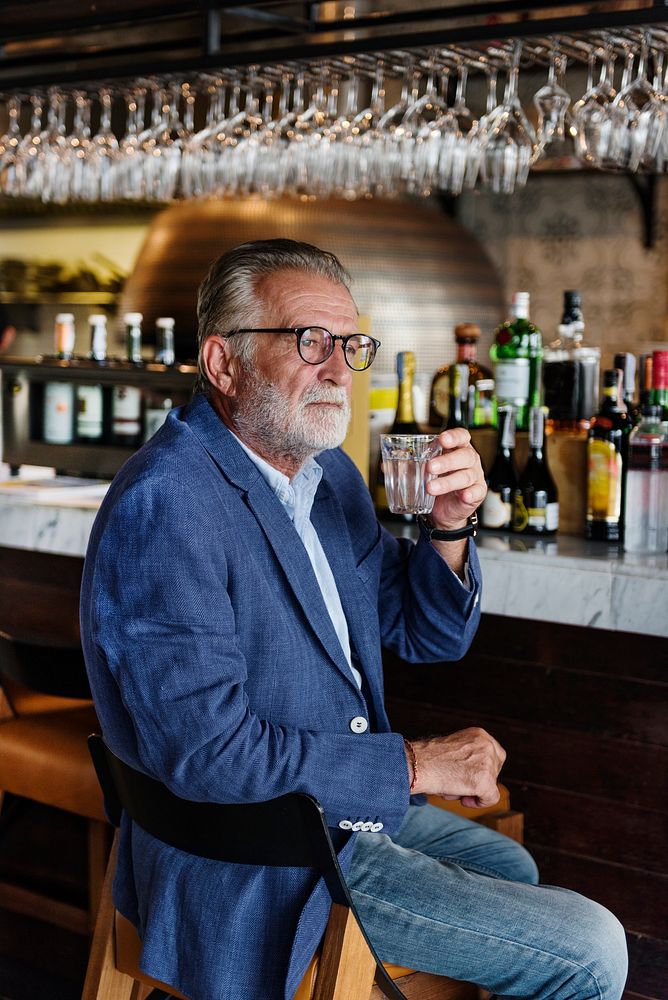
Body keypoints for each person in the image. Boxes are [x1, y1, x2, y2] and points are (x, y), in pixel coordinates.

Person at [80, 239, 627, 1000]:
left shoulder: (324, 474)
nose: (339, 369)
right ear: (222, 362)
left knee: (511, 868)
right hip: (253, 853)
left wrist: (449, 527)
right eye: (309, 342)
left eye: (350, 344)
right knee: (593, 949)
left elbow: (425, 633)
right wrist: (414, 765)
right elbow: (207, 754)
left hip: (323, 816)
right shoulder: (168, 502)